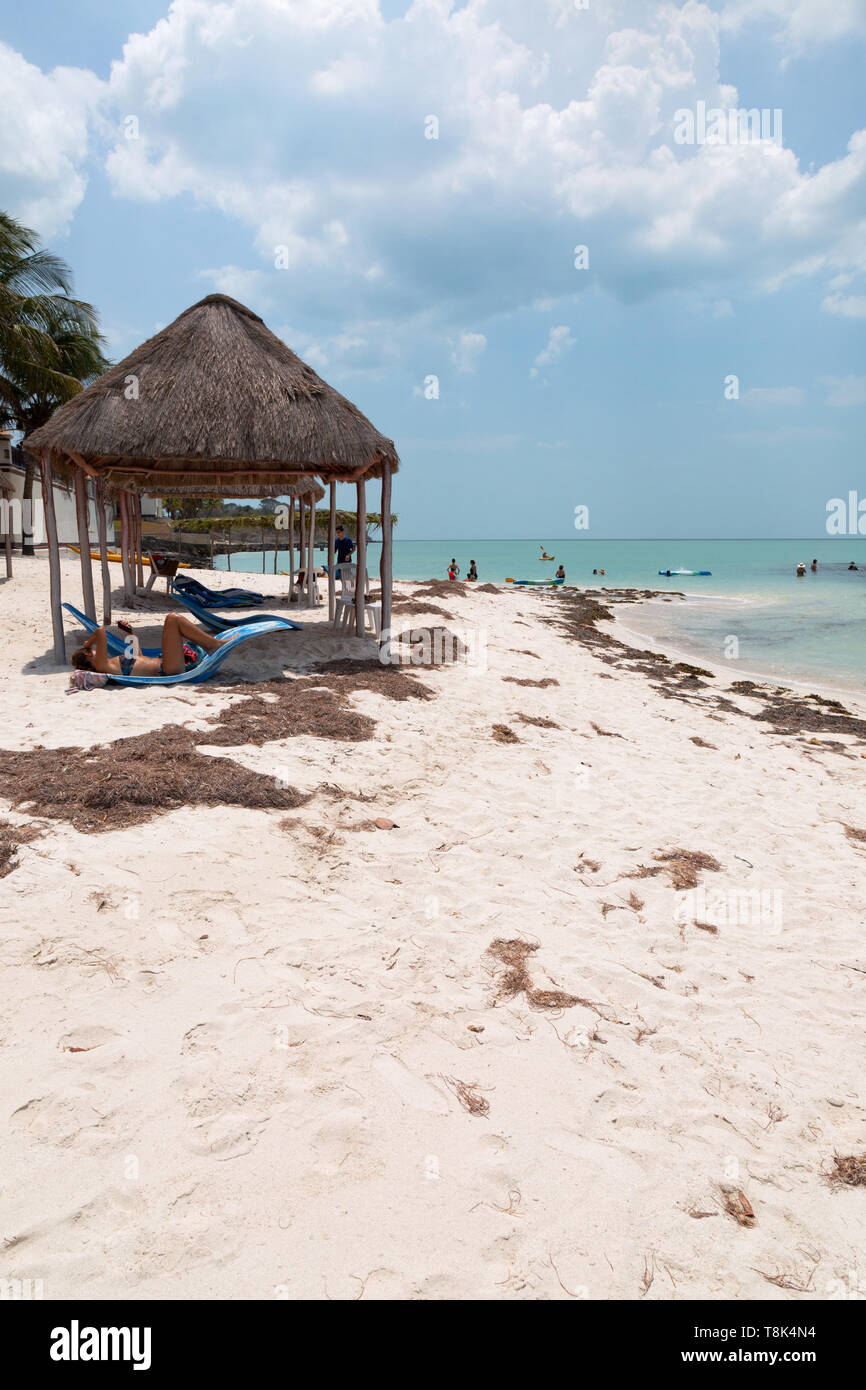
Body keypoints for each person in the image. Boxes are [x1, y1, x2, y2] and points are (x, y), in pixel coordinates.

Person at [71, 613, 223, 679]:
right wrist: (88, 643)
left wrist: (131, 635)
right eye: (93, 650)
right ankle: (213, 644)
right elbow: (100, 631)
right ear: (88, 655)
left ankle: (212, 643)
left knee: (173, 620)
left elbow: (140, 659)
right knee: (173, 619)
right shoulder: (101, 665)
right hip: (167, 668)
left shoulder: (110, 664)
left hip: (166, 664)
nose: (97, 650)